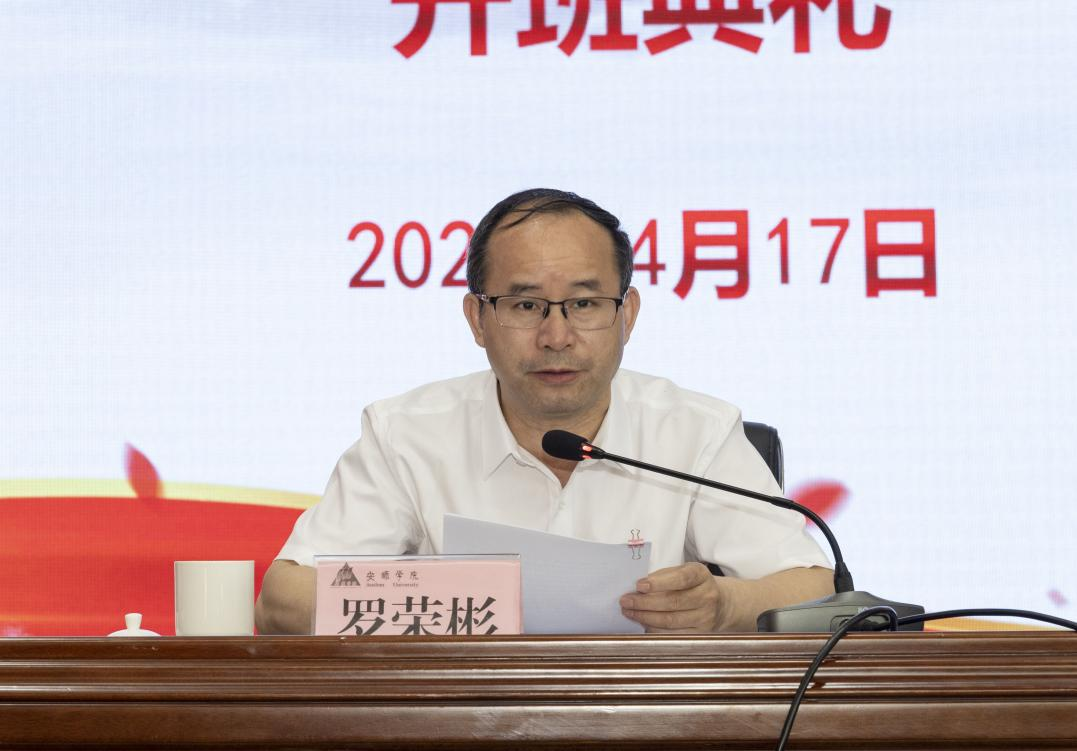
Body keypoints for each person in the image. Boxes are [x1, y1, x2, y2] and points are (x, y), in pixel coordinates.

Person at [256, 188, 834, 634]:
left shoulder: (694, 432)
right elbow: (284, 600)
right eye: (526, 305)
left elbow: (815, 591)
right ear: (478, 319)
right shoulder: (405, 435)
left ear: (627, 315)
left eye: (584, 303)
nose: (556, 336)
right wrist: (459, 600)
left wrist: (723, 604)